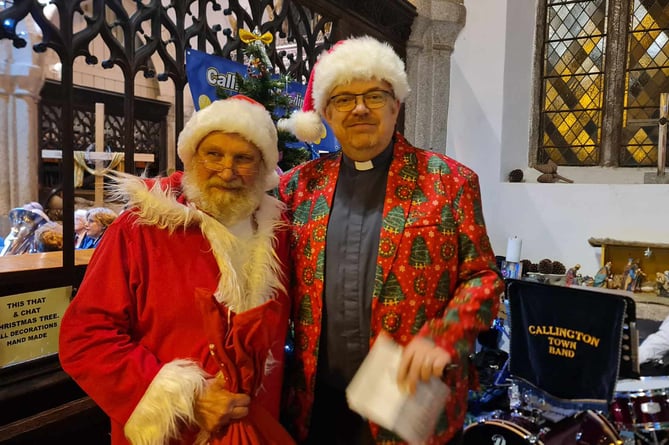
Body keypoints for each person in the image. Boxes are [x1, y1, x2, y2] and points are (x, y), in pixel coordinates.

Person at [277, 35, 504, 445]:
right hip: (318, 401)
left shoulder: (450, 182)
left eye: (375, 96)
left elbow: (483, 278)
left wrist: (445, 336)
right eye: (344, 98)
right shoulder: (297, 188)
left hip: (408, 396)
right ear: (326, 113)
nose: (360, 107)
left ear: (396, 105)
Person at [59, 95, 295, 445]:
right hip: (174, 433)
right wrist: (188, 399)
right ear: (191, 156)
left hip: (256, 428)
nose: (227, 171)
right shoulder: (141, 228)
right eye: (214, 154)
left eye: (243, 158)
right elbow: (85, 338)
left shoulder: (277, 232)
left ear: (262, 167)